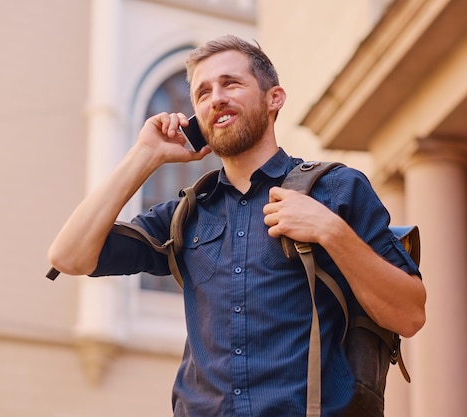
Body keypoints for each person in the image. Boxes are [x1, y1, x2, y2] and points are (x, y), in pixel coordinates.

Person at [48, 35, 426, 417]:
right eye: (202, 93)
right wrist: (145, 155)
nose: (216, 99)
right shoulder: (186, 214)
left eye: (231, 83)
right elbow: (69, 255)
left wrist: (331, 230)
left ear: (273, 98)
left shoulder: (337, 189)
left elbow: (410, 314)